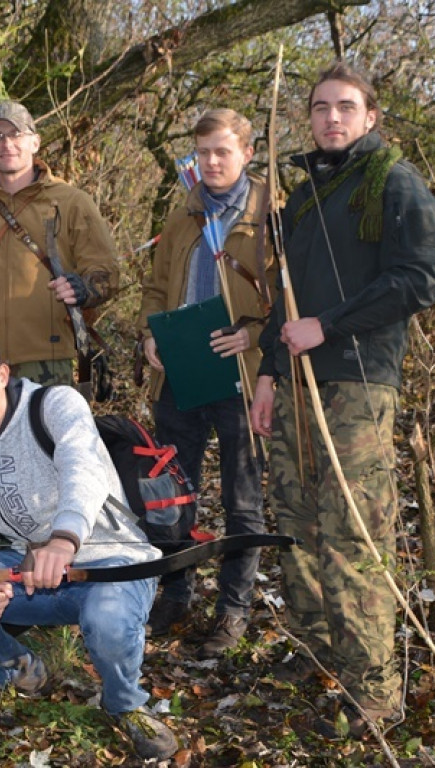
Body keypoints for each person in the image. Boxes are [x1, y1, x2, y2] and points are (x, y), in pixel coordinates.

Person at [249, 62, 435, 735]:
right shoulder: (304, 198)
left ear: (369, 116)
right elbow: (285, 300)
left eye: (345, 107)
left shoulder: (393, 181)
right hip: (298, 382)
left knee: (353, 534)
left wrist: (328, 327)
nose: (331, 118)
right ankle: (314, 654)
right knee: (298, 524)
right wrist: (271, 373)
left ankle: (374, 691)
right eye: (320, 107)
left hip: (359, 382)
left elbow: (419, 279)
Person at [0, 328, 179, 762]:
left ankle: (126, 704)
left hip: (111, 563)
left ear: (2, 375)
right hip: (32, 572)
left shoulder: (55, 405)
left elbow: (83, 470)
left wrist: (64, 538)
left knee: (109, 620)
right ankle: (23, 670)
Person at [136, 109, 277, 656]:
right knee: (173, 493)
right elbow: (154, 286)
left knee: (243, 499)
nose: (211, 162)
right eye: (203, 153)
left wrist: (255, 337)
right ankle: (175, 596)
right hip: (180, 375)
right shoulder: (183, 215)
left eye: (222, 151)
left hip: (241, 378)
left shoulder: (271, 216)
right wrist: (152, 335)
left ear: (245, 152)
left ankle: (233, 611)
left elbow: (292, 297)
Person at [0, 101, 119, 387]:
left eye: (16, 134)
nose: (7, 143)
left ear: (35, 142)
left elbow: (106, 273)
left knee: (49, 433)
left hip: (49, 359)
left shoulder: (71, 202)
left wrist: (83, 288)